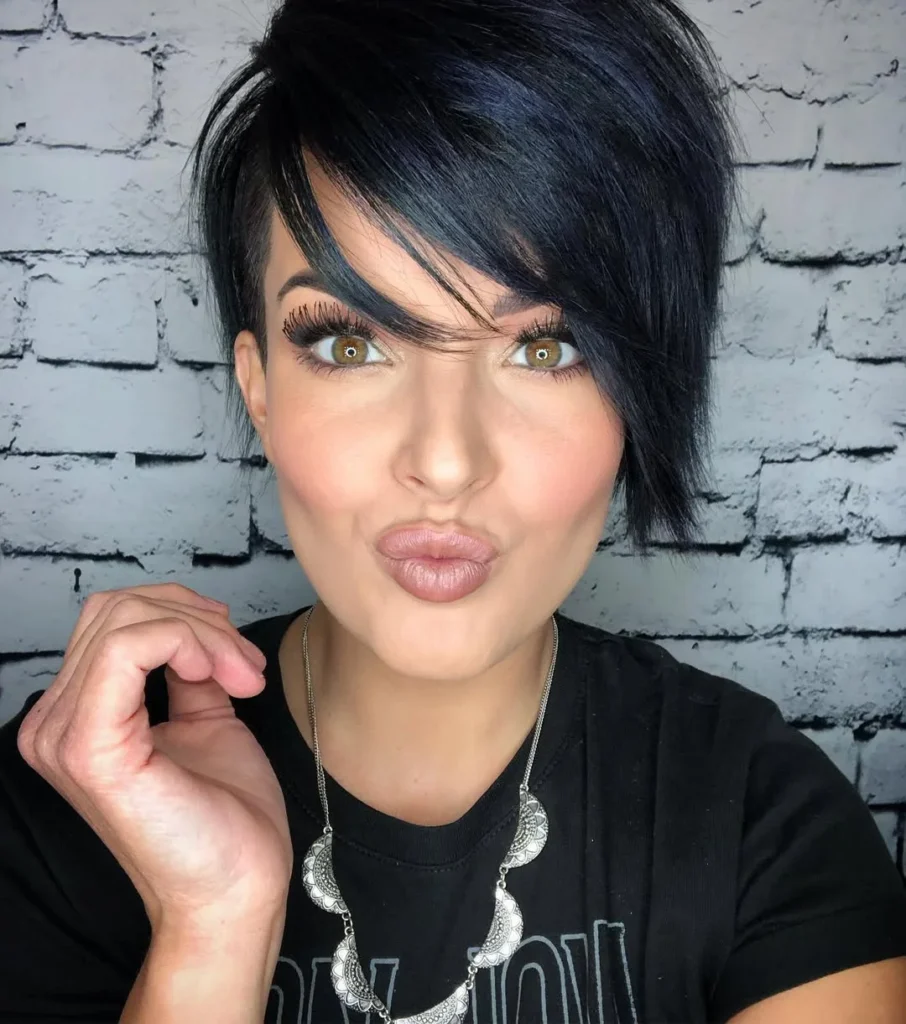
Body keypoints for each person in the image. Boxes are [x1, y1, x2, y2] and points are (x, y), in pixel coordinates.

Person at [1, 0, 905, 1021]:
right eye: (350, 343)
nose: (443, 460)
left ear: (636, 395)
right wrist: (211, 924)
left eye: (546, 347)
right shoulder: (69, 806)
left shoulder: (764, 824)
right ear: (258, 388)